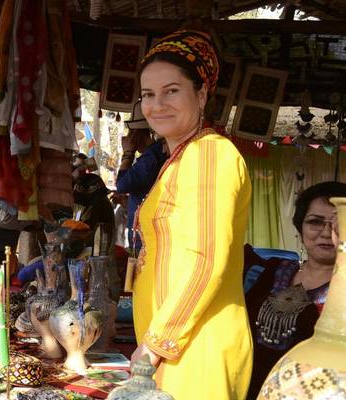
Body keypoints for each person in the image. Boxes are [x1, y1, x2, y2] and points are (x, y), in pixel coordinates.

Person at [130, 30, 253, 399]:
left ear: (201, 95)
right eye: (148, 95)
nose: (157, 105)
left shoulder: (210, 154)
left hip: (196, 346)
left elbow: (205, 259)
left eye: (172, 91)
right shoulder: (183, 158)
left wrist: (155, 344)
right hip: (178, 344)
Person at [243, 181, 346, 399]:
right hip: (247, 388)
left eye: (338, 224)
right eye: (315, 222)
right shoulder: (266, 270)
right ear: (300, 228)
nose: (327, 232)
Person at [116, 101, 168, 252]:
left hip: (145, 239)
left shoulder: (151, 158)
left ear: (137, 134)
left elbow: (121, 185)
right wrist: (129, 202)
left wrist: (127, 153)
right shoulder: (156, 155)